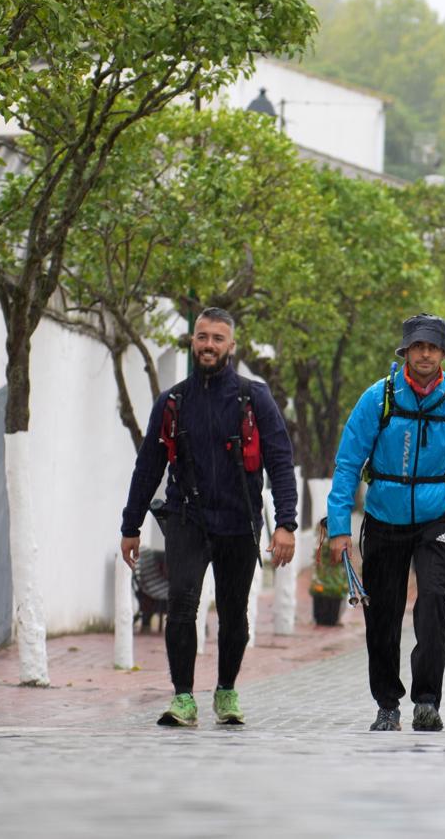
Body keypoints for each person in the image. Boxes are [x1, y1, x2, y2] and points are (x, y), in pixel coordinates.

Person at [119, 307, 298, 727]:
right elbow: (148, 467)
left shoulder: (255, 398)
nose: (209, 345)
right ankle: (182, 697)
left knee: (235, 614)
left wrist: (286, 523)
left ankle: (226, 691)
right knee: (181, 604)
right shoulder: (173, 402)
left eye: (218, 338)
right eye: (202, 337)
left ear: (231, 346)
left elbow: (280, 461)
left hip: (240, 520)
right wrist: (130, 526)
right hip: (188, 517)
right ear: (192, 341)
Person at [326, 314, 445, 732]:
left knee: (434, 606)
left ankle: (427, 700)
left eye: (432, 347)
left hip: (437, 518)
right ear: (405, 351)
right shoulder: (378, 397)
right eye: (417, 346)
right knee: (382, 615)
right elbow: (348, 463)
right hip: (383, 518)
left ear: (443, 353)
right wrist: (338, 528)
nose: (425, 353)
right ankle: (387, 704)